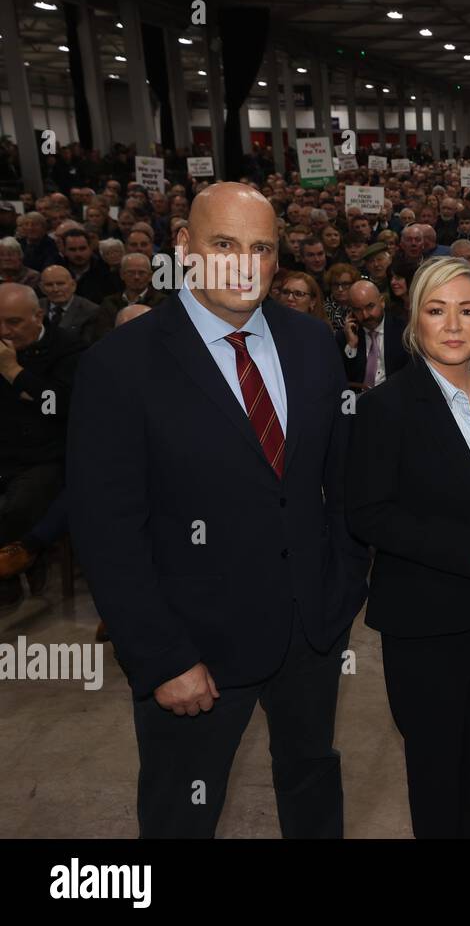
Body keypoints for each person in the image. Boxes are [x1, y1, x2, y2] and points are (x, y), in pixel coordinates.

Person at [67, 182, 371, 838]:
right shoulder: (119, 367)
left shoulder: (311, 343)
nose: (243, 263)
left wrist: (343, 585)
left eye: (261, 248)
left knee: (313, 781)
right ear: (184, 247)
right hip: (193, 650)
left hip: (310, 633)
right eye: (223, 244)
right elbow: (108, 530)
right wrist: (161, 657)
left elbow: (339, 482)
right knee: (183, 812)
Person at [345, 257, 470, 837]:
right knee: (434, 766)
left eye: (467, 310)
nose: (452, 325)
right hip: (426, 616)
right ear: (415, 321)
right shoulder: (388, 407)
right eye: (436, 310)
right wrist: (465, 547)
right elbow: (367, 513)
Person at [0, 283, 82, 609]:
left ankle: (17, 569)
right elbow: (42, 398)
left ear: (38, 316)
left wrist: (13, 372)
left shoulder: (68, 348)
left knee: (20, 505)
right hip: (5, 450)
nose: (4, 331)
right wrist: (31, 392)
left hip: (47, 455)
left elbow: (60, 405)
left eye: (13, 322)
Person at [338, 279, 409, 390]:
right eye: (357, 310)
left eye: (370, 306)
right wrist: (352, 345)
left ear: (382, 302)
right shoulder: (345, 337)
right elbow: (343, 378)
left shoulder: (403, 331)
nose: (365, 315)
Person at [37, 264, 99, 344]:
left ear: (73, 285)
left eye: (60, 284)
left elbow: (87, 345)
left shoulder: (91, 310)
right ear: (42, 288)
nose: (55, 289)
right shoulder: (34, 307)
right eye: (49, 285)